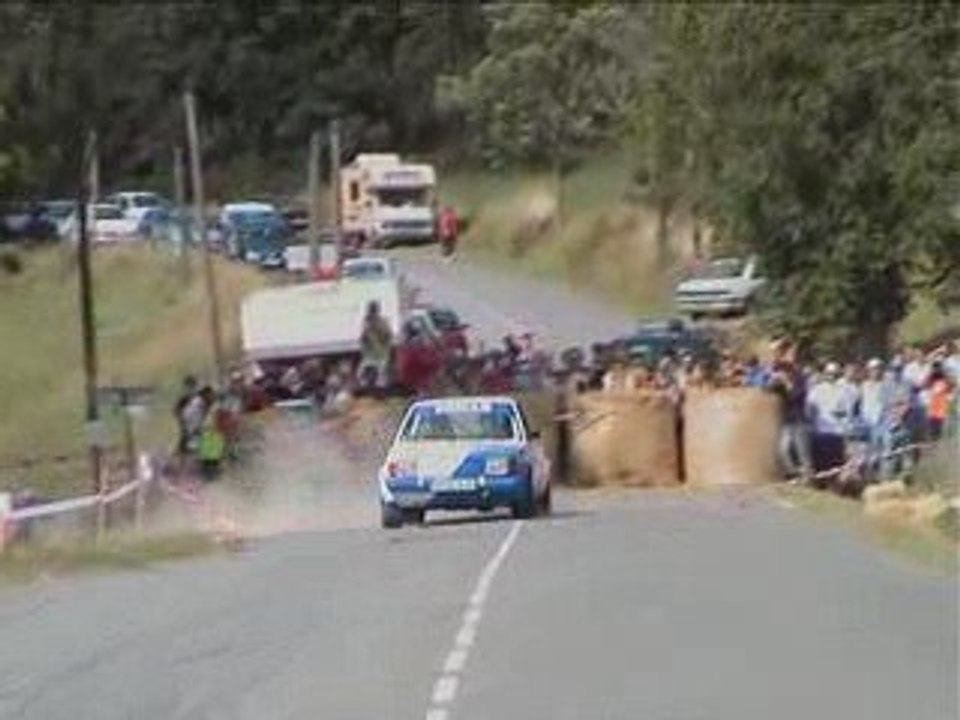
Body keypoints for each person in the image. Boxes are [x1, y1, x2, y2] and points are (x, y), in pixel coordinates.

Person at [806, 361, 856, 476]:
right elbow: (809, 410)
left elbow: (848, 412)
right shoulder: (816, 390)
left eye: (834, 374)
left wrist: (845, 428)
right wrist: (811, 426)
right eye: (829, 373)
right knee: (820, 464)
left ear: (838, 374)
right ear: (825, 374)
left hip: (837, 433)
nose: (831, 376)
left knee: (835, 466)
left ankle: (833, 485)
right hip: (820, 432)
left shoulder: (845, 391)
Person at [769, 352, 813, 481]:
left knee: (803, 452)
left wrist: (787, 383)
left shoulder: (800, 381)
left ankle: (808, 477)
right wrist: (772, 381)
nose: (781, 374)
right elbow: (768, 392)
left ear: (789, 371)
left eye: (783, 371)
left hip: (799, 421)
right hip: (786, 421)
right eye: (779, 371)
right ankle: (794, 473)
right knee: (782, 449)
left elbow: (796, 396)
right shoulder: (779, 384)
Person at [359, 301, 393, 391]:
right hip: (370, 355)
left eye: (373, 310)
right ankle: (366, 385)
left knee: (381, 375)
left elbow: (388, 336)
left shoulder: (382, 322)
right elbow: (363, 339)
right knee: (362, 373)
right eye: (370, 310)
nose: (371, 313)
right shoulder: (366, 322)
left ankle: (380, 386)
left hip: (381, 353)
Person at [925, 362, 953, 441]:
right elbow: (925, 386)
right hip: (932, 403)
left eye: (938, 368)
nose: (937, 370)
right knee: (932, 421)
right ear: (933, 369)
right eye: (935, 368)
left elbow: (950, 388)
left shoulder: (945, 377)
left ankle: (937, 436)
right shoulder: (930, 377)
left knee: (939, 422)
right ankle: (932, 436)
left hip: (941, 403)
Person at [174, 375, 199, 457]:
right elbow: (176, 412)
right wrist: (182, 423)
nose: (189, 389)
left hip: (195, 432)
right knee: (182, 453)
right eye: (187, 387)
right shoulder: (182, 400)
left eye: (191, 387)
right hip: (186, 432)